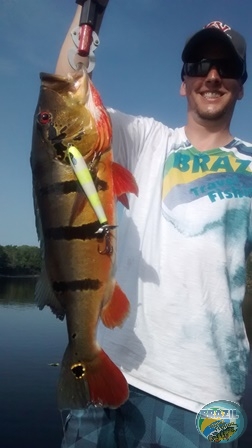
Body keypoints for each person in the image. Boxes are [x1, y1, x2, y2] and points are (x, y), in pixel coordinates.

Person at [56, 6, 252, 448]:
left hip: (207, 396)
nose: (212, 75)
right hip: (109, 364)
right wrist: (90, 10)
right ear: (182, 82)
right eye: (199, 65)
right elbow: (67, 97)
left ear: (241, 85)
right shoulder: (147, 140)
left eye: (228, 67)